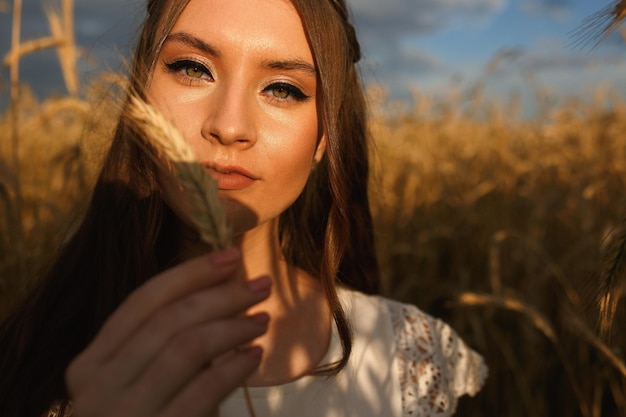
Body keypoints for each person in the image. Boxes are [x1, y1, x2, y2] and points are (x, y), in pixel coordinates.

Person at [0, 0, 487, 416]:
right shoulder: (32, 353)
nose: (230, 126)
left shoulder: (411, 358)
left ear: (323, 138)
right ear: (140, 94)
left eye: (283, 88)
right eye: (193, 68)